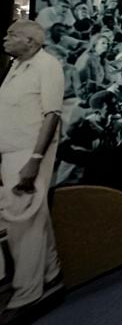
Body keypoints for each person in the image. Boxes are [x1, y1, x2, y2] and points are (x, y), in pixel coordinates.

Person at [0, 21, 64, 321]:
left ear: (30, 40)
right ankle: (52, 273)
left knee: (22, 223)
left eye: (11, 34)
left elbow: (52, 114)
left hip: (30, 153)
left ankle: (27, 294)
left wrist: (35, 158)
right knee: (35, 215)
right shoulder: (16, 67)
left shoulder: (47, 65)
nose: (6, 37)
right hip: (11, 152)